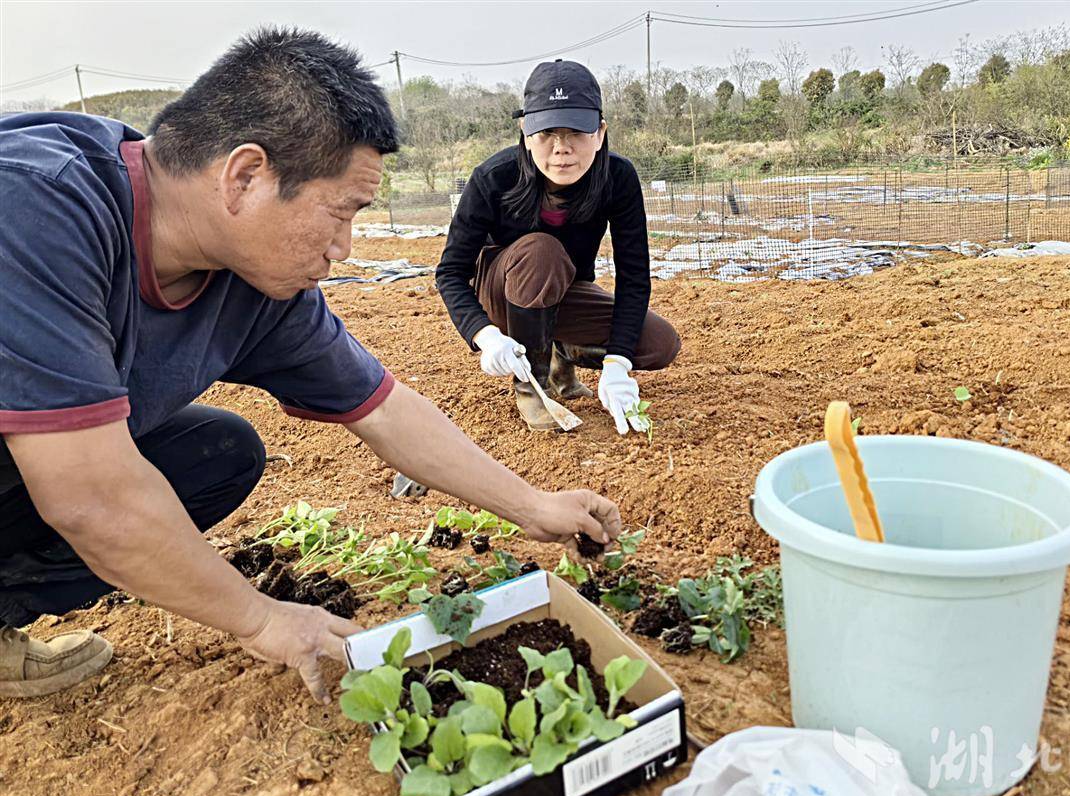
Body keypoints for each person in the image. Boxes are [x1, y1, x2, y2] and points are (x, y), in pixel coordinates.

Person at [0, 29, 620, 702]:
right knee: (97, 473)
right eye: (340, 213)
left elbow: (384, 409)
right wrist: (260, 618)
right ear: (244, 177)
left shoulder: (257, 282)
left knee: (216, 453)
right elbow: (90, 495)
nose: (345, 248)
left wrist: (532, 506)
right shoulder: (37, 208)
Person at [436, 59, 681, 432]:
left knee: (658, 343)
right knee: (541, 251)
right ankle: (533, 387)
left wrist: (617, 364)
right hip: (500, 296)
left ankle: (560, 350)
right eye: (547, 132)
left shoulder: (618, 178)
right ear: (525, 132)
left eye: (576, 132)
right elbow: (451, 273)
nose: (561, 148)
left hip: (562, 293)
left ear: (600, 133)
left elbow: (634, 276)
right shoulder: (493, 178)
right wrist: (485, 335)